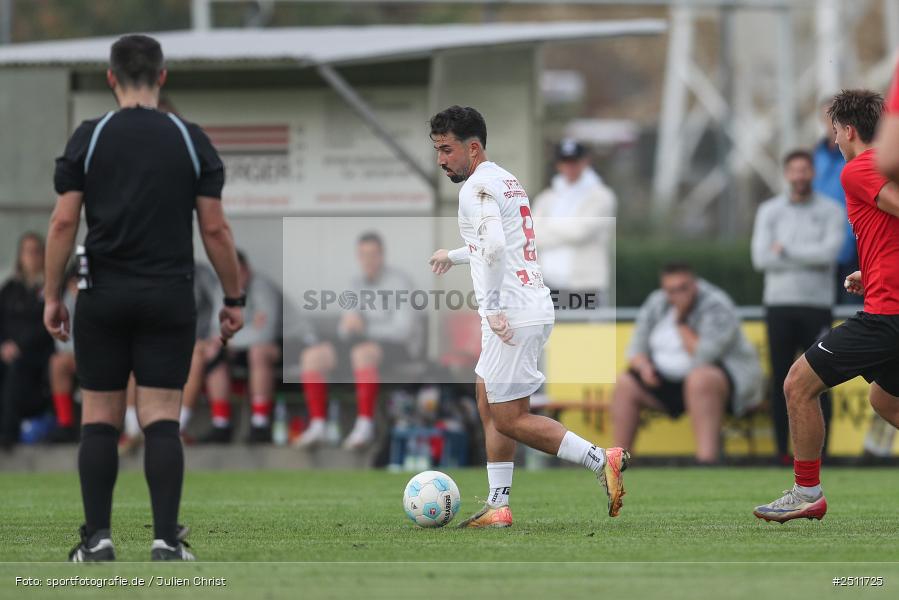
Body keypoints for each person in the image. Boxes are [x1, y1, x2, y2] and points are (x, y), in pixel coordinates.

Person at [43, 34, 243, 561]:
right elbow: (216, 230)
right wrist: (233, 297)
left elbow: (64, 220)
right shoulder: (187, 137)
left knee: (100, 418)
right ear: (162, 77)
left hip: (101, 294)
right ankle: (164, 542)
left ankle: (98, 540)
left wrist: (50, 295)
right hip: (167, 296)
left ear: (111, 78)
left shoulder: (91, 135)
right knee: (159, 417)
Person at [426, 105, 629, 528]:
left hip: (512, 312)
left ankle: (600, 458)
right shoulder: (505, 179)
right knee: (487, 398)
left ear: (473, 147)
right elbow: (504, 242)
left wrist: (496, 308)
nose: (441, 160)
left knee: (510, 417)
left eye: (447, 150)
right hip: (526, 304)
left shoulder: (474, 189)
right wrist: (456, 255)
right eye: (438, 150)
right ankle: (498, 504)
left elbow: (497, 248)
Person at [754, 89, 899, 522]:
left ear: (848, 130)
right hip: (887, 300)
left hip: (887, 316)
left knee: (797, 384)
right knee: (885, 401)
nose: (833, 139)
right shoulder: (878, 169)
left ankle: (806, 492)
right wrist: (870, 273)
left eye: (834, 130)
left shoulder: (857, 169)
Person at [611, 263, 764, 464]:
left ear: (694, 284)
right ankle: (619, 464)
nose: (677, 295)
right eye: (671, 290)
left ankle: (706, 461)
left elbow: (704, 354)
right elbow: (635, 350)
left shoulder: (716, 305)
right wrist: (644, 367)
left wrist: (681, 321)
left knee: (700, 379)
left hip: (720, 385)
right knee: (625, 383)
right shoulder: (657, 302)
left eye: (683, 288)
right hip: (666, 381)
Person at [751, 149, 845, 464]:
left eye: (805, 170)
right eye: (794, 170)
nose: (800, 176)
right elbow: (760, 258)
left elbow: (829, 255)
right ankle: (781, 451)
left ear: (813, 173)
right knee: (780, 379)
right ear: (786, 173)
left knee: (821, 378)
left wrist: (785, 250)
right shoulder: (769, 210)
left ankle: (823, 453)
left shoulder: (831, 210)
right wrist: (805, 254)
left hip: (816, 305)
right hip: (779, 305)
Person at [295, 232, 419, 450]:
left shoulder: (400, 281)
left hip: (398, 347)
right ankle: (318, 425)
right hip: (361, 344)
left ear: (382, 255)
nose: (368, 260)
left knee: (362, 353)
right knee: (312, 356)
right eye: (363, 255)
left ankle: (365, 425)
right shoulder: (354, 284)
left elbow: (403, 330)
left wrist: (366, 327)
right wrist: (349, 326)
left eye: (373, 254)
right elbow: (345, 329)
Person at [201, 251, 281, 444]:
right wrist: (245, 329)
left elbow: (265, 333)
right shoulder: (222, 291)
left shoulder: (262, 287)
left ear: (246, 270)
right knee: (213, 352)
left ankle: (260, 423)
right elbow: (215, 331)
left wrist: (230, 338)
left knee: (258, 352)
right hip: (239, 348)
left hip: (285, 346)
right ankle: (221, 424)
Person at [531, 140, 616, 309]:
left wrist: (548, 225)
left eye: (574, 162)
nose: (570, 167)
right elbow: (532, 235)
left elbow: (580, 232)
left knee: (587, 335)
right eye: (565, 162)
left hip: (585, 284)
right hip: (548, 283)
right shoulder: (546, 197)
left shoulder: (601, 196)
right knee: (552, 334)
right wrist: (566, 228)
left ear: (585, 162)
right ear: (558, 165)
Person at [0, 233, 56, 448]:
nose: (32, 257)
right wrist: (3, 344)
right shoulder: (9, 290)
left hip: (36, 356)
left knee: (16, 370)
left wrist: (19, 345)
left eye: (36, 251)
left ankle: (8, 433)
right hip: (7, 351)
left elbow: (47, 326)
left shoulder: (50, 290)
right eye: (27, 251)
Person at [813, 99, 857, 304]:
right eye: (827, 118)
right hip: (819, 250)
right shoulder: (813, 157)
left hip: (853, 248)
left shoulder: (857, 156)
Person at [46, 265, 80, 443]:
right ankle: (65, 424)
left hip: (106, 351)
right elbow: (62, 333)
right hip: (73, 352)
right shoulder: (64, 297)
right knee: (57, 363)